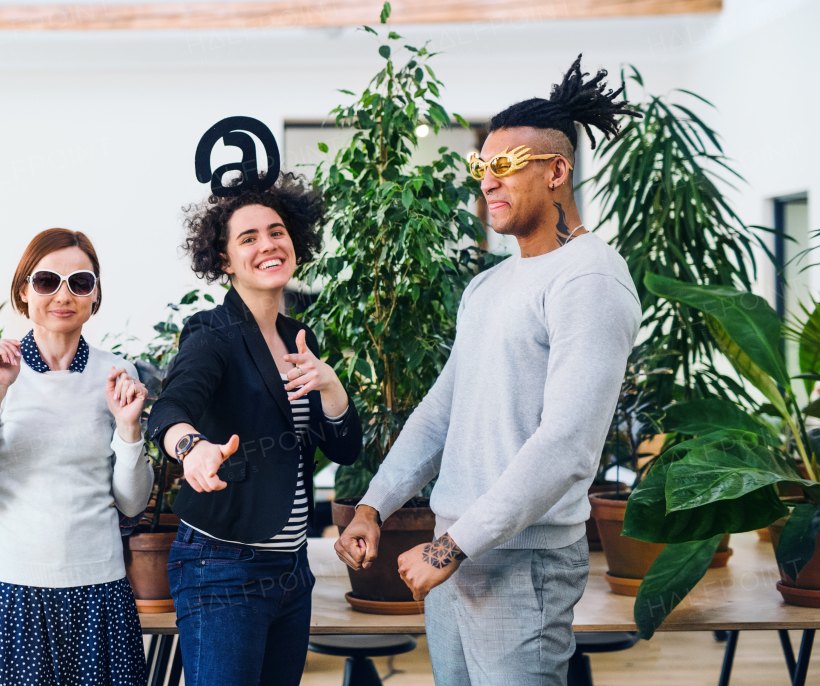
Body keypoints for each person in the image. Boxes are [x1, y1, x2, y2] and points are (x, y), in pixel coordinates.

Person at [336, 56, 643, 685]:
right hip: (457, 552)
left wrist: (452, 547)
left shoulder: (589, 278)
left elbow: (566, 448)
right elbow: (440, 412)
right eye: (482, 168)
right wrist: (374, 506)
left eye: (504, 167)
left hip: (520, 558)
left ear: (558, 170)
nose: (487, 183)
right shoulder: (489, 285)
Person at [146, 167, 363, 686]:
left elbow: (347, 448)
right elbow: (170, 409)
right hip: (223, 567)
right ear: (224, 259)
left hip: (291, 569)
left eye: (276, 231)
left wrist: (331, 386)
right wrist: (192, 448)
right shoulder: (211, 334)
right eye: (248, 238)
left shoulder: (299, 337)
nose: (267, 245)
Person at [0, 228, 154, 686]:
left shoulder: (115, 374)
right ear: (23, 290)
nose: (63, 294)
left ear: (94, 296)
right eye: (47, 280)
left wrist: (129, 428)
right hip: (11, 591)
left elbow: (132, 504)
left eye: (79, 282)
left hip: (100, 593)